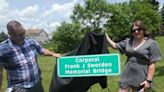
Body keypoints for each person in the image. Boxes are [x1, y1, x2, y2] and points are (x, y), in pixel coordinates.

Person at [0, 20, 61, 92]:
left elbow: (42, 50)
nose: (23, 37)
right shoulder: (3, 49)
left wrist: (53, 54)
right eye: (19, 35)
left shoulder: (31, 42)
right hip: (19, 88)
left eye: (23, 33)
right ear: (10, 34)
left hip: (36, 83)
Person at [105, 20, 161, 92]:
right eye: (134, 30)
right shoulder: (128, 41)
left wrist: (148, 81)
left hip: (142, 75)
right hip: (127, 74)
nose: (136, 32)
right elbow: (115, 46)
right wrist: (106, 37)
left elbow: (152, 64)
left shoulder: (152, 44)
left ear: (143, 30)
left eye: (139, 29)